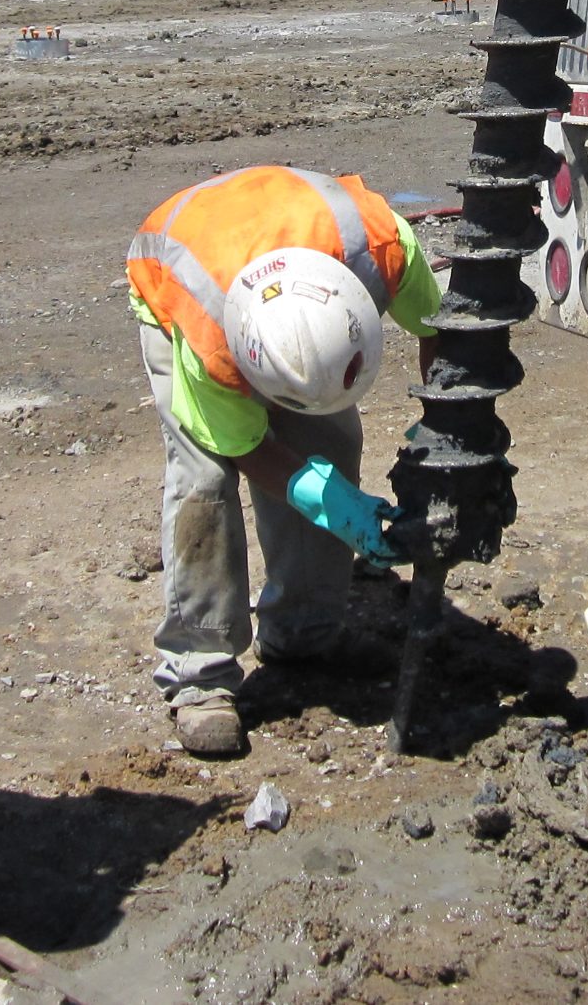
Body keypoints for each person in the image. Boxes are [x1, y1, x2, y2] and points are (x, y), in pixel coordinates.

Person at [126, 165, 440, 756]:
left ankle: (304, 630)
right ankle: (200, 675)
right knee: (205, 483)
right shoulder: (208, 331)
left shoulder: (382, 248)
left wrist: (439, 428)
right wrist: (337, 506)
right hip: (178, 273)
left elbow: (439, 332)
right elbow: (249, 451)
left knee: (332, 445)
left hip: (283, 240)